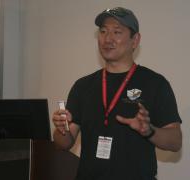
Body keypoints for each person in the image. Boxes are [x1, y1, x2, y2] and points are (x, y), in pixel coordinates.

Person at [52, 7, 182, 180]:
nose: (108, 39)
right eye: (103, 31)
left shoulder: (155, 83)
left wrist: (149, 131)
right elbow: (64, 144)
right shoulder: (83, 86)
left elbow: (175, 141)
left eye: (117, 32)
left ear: (135, 40)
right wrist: (62, 129)